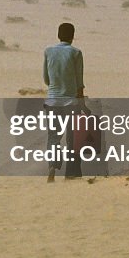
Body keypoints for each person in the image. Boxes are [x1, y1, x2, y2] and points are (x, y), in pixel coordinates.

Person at [43, 22, 85, 182]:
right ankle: (71, 173)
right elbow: (79, 82)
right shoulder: (76, 53)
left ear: (58, 35)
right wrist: (83, 105)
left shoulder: (48, 51)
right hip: (71, 102)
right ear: (73, 36)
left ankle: (52, 166)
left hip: (53, 101)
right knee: (72, 138)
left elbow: (46, 79)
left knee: (53, 137)